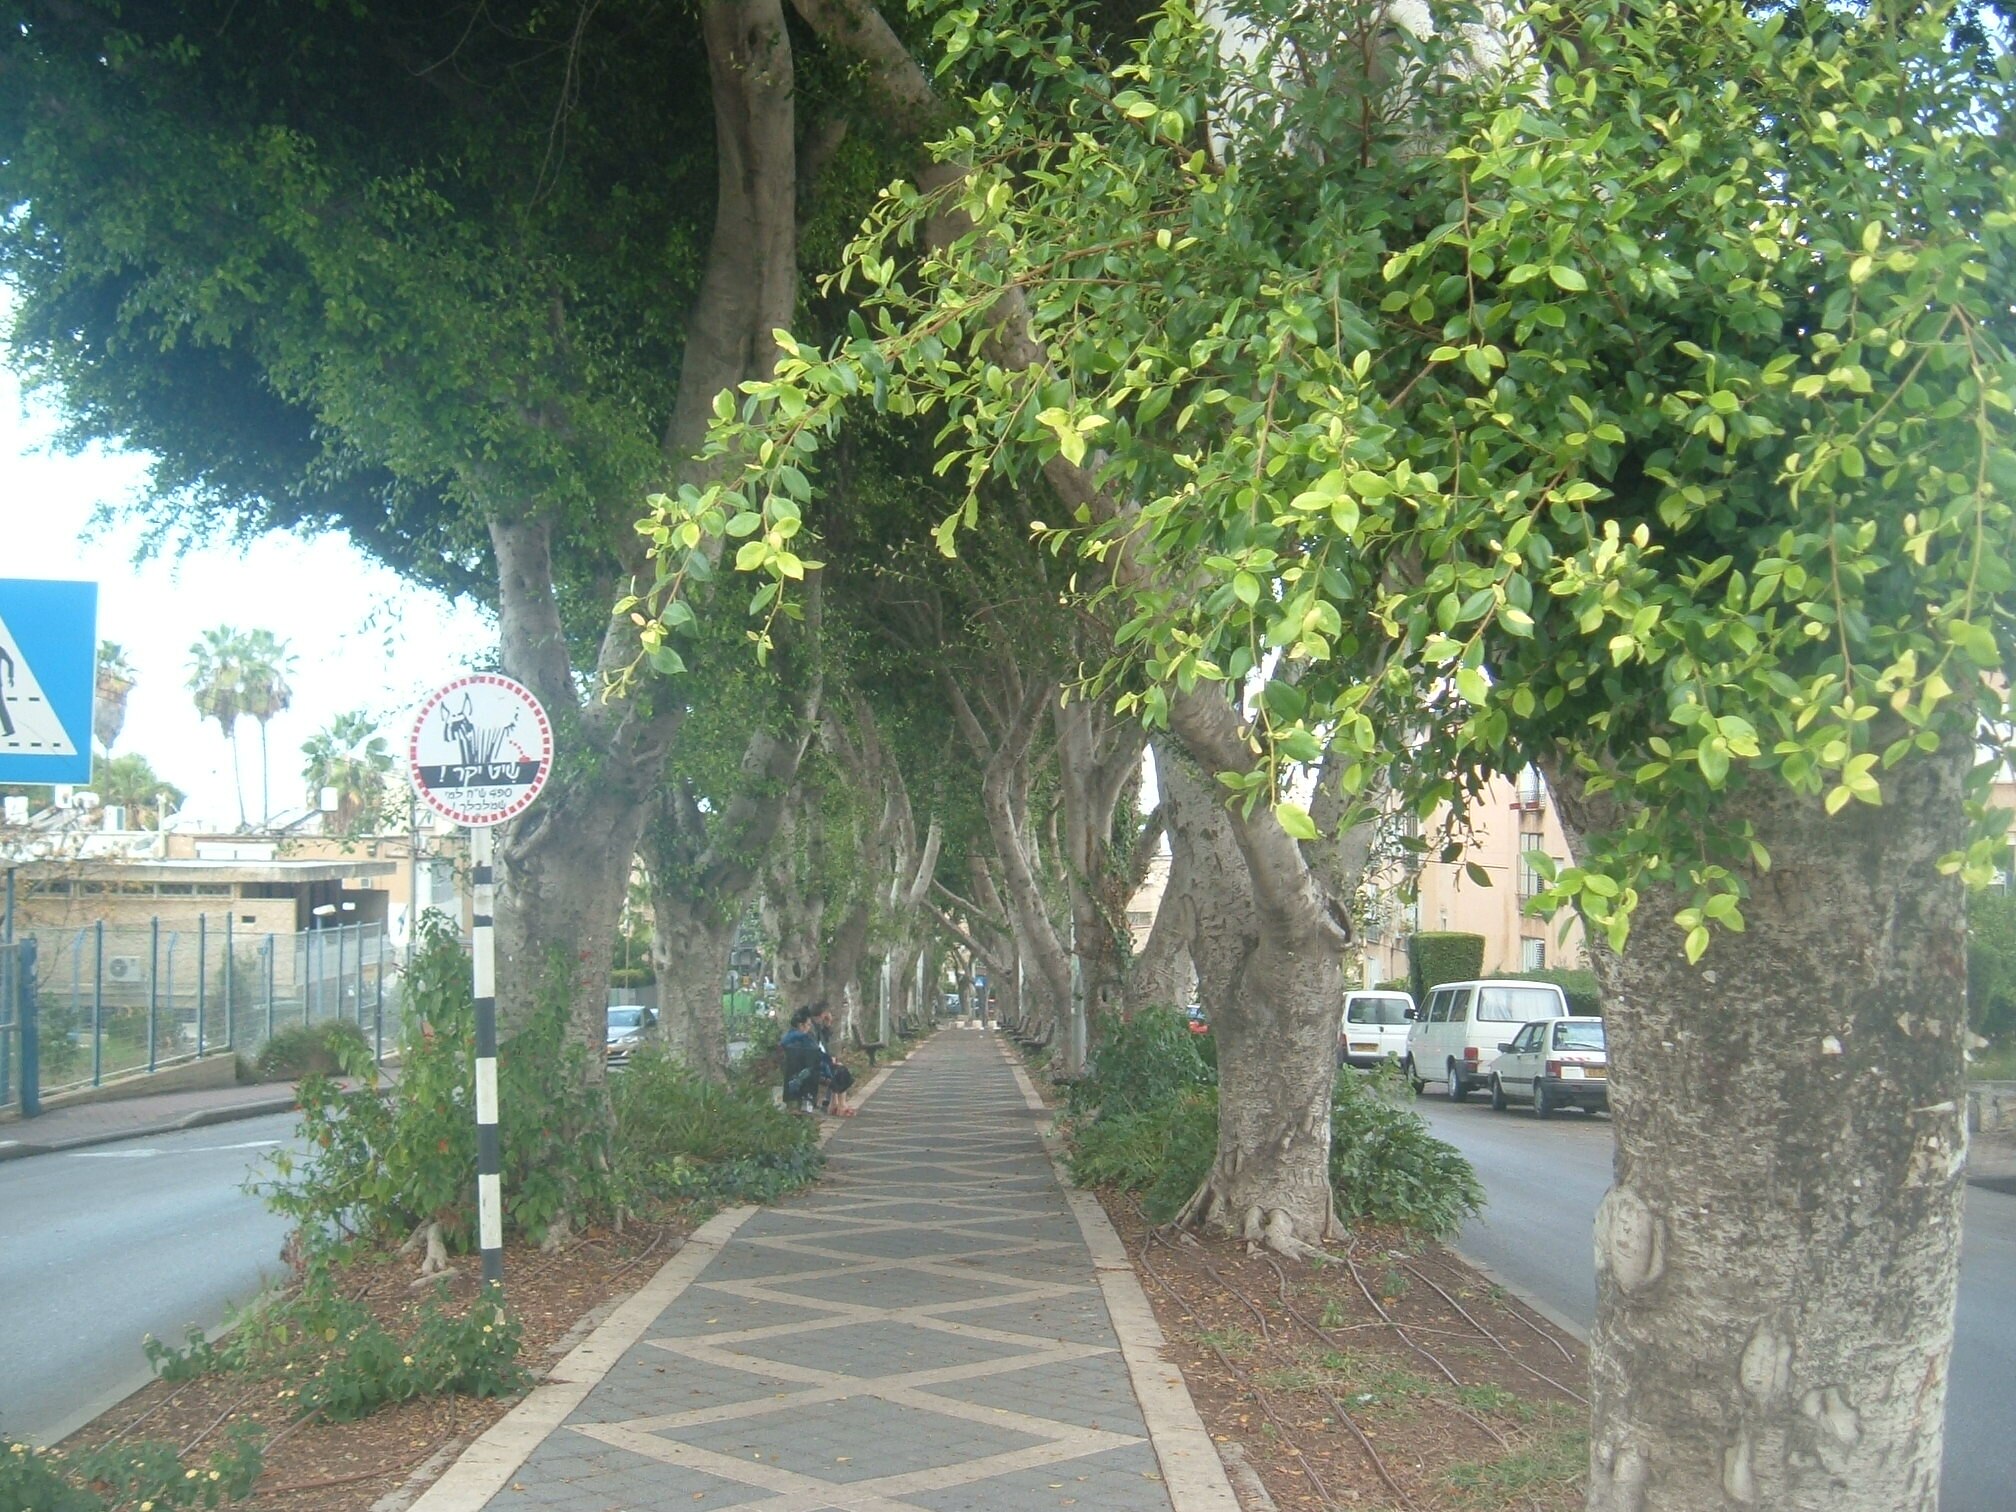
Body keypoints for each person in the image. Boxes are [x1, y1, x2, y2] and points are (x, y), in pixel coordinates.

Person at [811, 1001, 857, 1117]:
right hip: (813, 1065)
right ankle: (840, 1105)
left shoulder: (817, 1026)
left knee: (839, 1068)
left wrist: (828, 1025)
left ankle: (835, 1104)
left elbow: (824, 1041)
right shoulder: (812, 1028)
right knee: (840, 1071)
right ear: (823, 1013)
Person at [780, 1007, 822, 1113]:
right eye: (808, 1025)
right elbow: (816, 1052)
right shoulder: (804, 1037)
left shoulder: (788, 1037)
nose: (809, 1027)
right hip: (805, 1075)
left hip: (790, 1076)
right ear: (801, 1025)